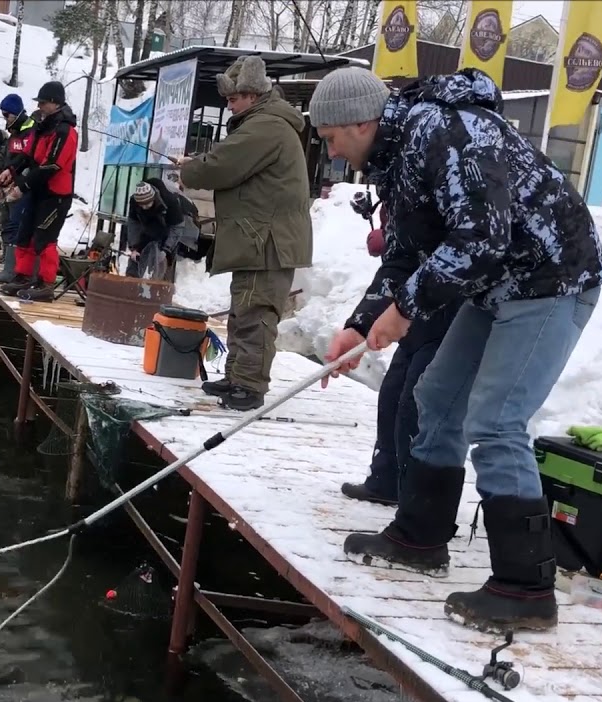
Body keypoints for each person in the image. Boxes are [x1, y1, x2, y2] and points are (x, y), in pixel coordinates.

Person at [314, 66, 602, 634]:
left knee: (497, 421)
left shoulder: (445, 133)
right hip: (494, 282)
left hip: (552, 276)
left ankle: (525, 588)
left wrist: (406, 310)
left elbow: (481, 237)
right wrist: (359, 326)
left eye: (330, 138)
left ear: (359, 120)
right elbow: (404, 256)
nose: (330, 152)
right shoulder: (396, 157)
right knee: (439, 395)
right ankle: (422, 536)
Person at [174, 55, 313, 411]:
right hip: (261, 238)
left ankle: (249, 388)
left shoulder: (265, 126)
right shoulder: (265, 123)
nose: (229, 104)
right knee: (244, 310)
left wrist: (193, 170)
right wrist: (197, 167)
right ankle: (237, 377)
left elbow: (224, 165)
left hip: (269, 240)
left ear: (252, 94)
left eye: (233, 98)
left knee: (257, 314)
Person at [324, 187, 462, 507]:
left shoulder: (436, 184)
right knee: (391, 395)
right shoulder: (398, 187)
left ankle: (419, 500)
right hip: (413, 313)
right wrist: (361, 324)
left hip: (447, 309)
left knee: (416, 404)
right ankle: (386, 480)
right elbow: (399, 262)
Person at [0, 81, 78, 303]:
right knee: (25, 233)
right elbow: (28, 154)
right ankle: (23, 276)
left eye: (43, 103)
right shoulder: (42, 127)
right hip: (37, 191)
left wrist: (22, 186)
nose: (40, 106)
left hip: (56, 194)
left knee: (45, 238)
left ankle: (46, 284)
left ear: (54, 102)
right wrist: (10, 169)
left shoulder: (66, 131)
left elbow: (51, 165)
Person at [0, 94, 36, 283]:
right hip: (6, 182)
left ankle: (13, 269)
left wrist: (13, 174)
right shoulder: (13, 133)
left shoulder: (31, 130)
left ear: (16, 113)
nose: (5, 118)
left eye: (7, 114)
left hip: (20, 184)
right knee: (5, 221)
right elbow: (4, 154)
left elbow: (26, 157)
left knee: (17, 224)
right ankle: (6, 257)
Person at [125, 179, 183, 279]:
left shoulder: (170, 202)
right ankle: (130, 284)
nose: (144, 207)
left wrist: (166, 250)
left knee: (162, 263)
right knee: (136, 259)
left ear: (154, 198)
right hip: (147, 231)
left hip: (167, 230)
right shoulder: (134, 201)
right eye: (141, 205)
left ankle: (161, 288)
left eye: (147, 204)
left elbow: (177, 228)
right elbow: (133, 224)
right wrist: (134, 247)